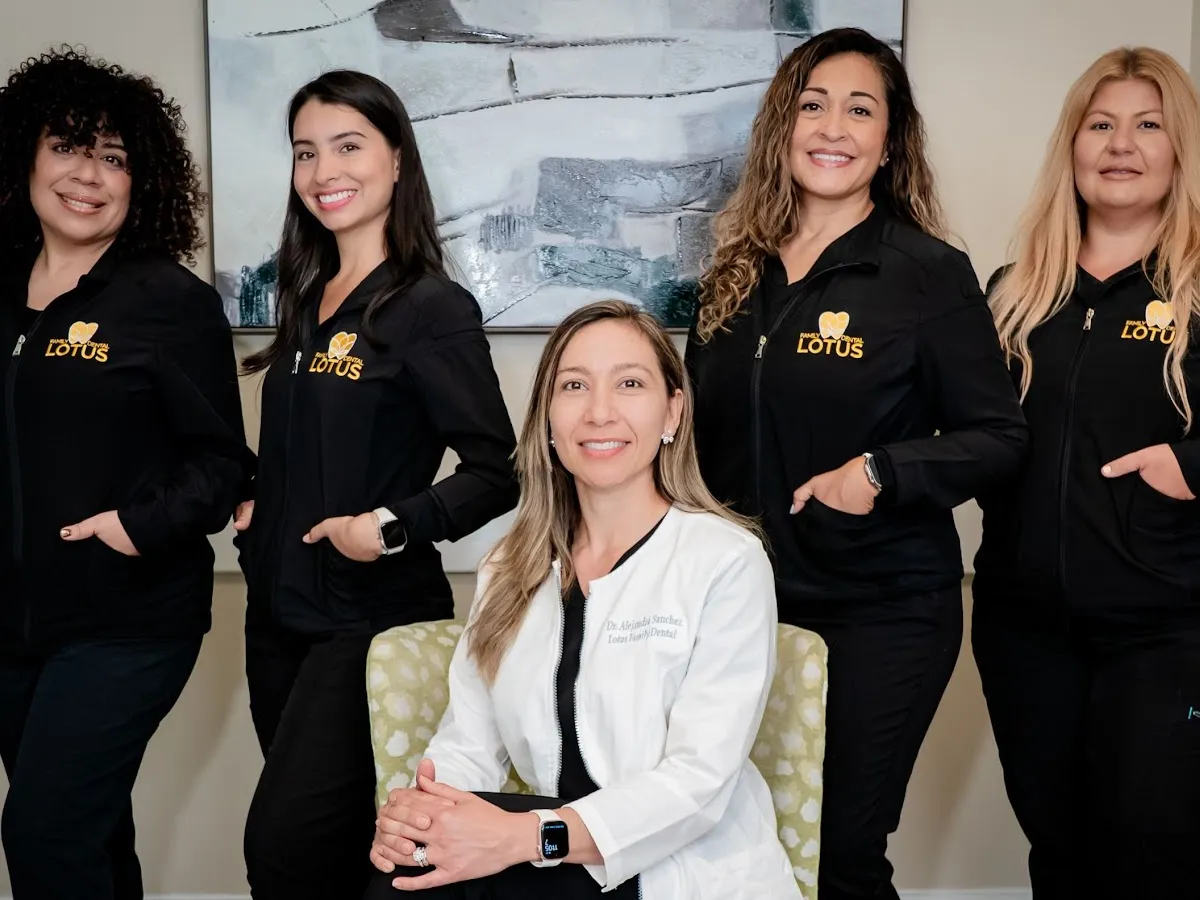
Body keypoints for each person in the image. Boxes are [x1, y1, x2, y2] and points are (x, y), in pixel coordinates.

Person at [684, 27, 1028, 900]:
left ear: (890, 141)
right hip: (743, 612)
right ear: (783, 127)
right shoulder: (733, 272)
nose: (833, 127)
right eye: (813, 105)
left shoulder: (926, 273)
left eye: (860, 109)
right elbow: (697, 440)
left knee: (837, 855)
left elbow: (999, 436)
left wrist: (880, 471)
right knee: (741, 847)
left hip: (881, 613)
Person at [363, 299, 800, 899]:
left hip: (677, 865)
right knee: (411, 868)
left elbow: (697, 783)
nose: (599, 412)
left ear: (673, 411)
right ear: (547, 418)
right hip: (551, 856)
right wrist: (418, 819)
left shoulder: (725, 561)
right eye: (574, 386)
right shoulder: (508, 568)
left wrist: (528, 837)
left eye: (630, 384)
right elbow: (468, 742)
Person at [235, 70, 519, 900]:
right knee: (330, 857)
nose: (324, 170)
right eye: (306, 152)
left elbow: (496, 471)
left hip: (364, 625)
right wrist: (261, 503)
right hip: (276, 620)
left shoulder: (430, 308)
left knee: (281, 852)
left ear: (397, 160)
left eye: (348, 146)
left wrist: (389, 525)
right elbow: (313, 450)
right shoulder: (306, 301)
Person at [0, 48, 253, 900]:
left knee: (44, 831)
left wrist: (135, 527)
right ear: (26, 157)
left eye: (114, 157)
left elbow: (222, 462)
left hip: (125, 621)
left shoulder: (167, 302)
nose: (88, 175)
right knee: (92, 836)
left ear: (142, 182)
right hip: (12, 626)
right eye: (68, 147)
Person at [973, 46, 1200, 900]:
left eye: (1148, 126)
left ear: (1180, 149)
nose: (1121, 144)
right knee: (1056, 848)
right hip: (1023, 628)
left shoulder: (1199, 290)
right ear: (1071, 145)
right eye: (1100, 124)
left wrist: (1188, 464)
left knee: (1150, 851)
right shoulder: (1014, 293)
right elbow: (965, 432)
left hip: (1166, 628)